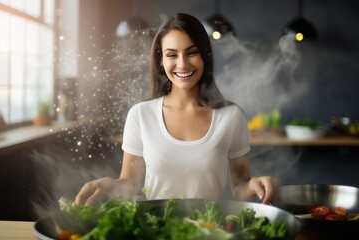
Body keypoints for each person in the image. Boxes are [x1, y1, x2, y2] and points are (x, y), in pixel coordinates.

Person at [75, 13, 277, 206]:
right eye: (172, 54)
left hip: (211, 231)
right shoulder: (140, 115)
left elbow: (240, 188)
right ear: (161, 61)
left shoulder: (231, 116)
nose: (182, 64)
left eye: (192, 52)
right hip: (157, 231)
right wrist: (112, 185)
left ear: (204, 56)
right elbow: (130, 185)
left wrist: (255, 185)